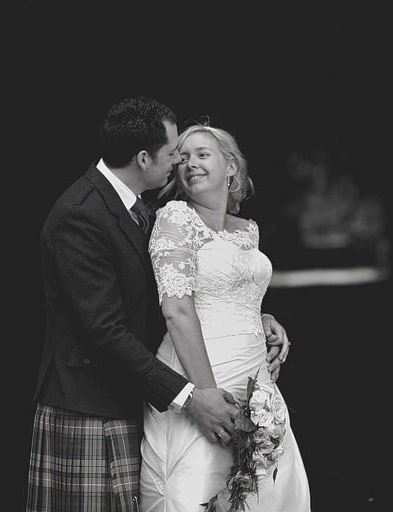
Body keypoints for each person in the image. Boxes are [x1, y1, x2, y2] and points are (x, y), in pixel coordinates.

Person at [26, 96, 291, 512]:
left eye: (197, 154)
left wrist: (257, 316)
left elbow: (172, 290)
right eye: (174, 154)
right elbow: (104, 330)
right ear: (144, 159)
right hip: (90, 403)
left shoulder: (139, 210)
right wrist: (192, 396)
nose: (181, 163)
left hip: (138, 391)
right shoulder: (81, 214)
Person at [139, 123, 310, 511]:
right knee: (200, 490)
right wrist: (204, 396)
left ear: (231, 166)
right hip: (202, 374)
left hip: (257, 380)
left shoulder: (247, 230)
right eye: (182, 158)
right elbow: (176, 309)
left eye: (202, 154)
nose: (190, 164)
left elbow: (234, 292)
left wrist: (264, 316)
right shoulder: (176, 218)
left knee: (262, 489)